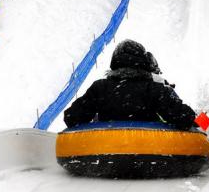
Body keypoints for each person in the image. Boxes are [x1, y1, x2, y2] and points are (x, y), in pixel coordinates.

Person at [63, 40, 197, 130]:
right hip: (150, 149)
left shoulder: (100, 88)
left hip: (106, 148)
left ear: (114, 63)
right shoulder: (156, 89)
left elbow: (71, 118)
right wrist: (201, 119)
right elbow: (184, 118)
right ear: (145, 64)